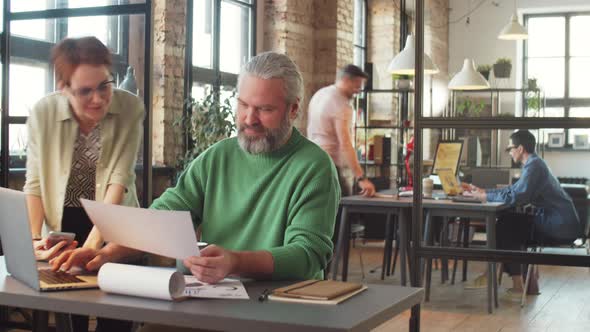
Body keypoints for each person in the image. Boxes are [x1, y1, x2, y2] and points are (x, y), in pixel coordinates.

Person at [52, 52, 339, 307]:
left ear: (293, 109)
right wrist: (103, 254)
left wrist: (236, 262)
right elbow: (161, 219)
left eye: (265, 109)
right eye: (242, 105)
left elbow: (307, 256)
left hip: (280, 307)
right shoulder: (216, 157)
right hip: (208, 303)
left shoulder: (314, 167)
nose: (249, 119)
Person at [23, 36, 144, 332]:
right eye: (85, 91)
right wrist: (33, 240)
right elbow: (35, 184)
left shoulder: (130, 108)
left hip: (115, 222)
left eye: (104, 85)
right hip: (64, 223)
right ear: (64, 89)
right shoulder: (43, 113)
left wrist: (93, 247)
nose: (99, 99)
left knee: (115, 318)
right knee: (69, 318)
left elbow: (120, 178)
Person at [463, 130, 581, 293]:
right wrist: (485, 191)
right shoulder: (534, 164)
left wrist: (485, 195)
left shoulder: (534, 166)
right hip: (557, 222)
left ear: (520, 148)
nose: (510, 152)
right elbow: (514, 191)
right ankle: (505, 278)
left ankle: (501, 278)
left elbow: (517, 196)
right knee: (508, 221)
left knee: (507, 225)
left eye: (510, 148)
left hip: (558, 226)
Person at [307, 64, 376, 197]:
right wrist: (361, 178)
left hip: (311, 162)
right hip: (328, 164)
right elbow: (345, 143)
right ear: (345, 80)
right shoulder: (341, 104)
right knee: (343, 207)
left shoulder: (320, 94)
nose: (358, 90)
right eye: (357, 84)